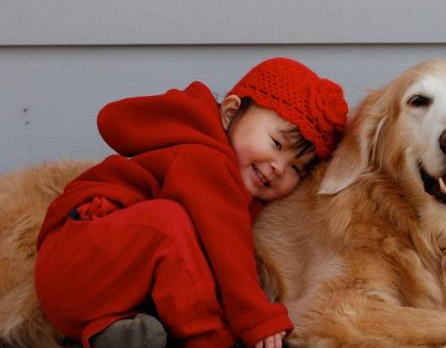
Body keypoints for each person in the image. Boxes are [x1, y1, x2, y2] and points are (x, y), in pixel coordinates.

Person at [34, 58, 348, 348]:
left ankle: (117, 333)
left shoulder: (237, 183)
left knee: (182, 254)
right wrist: (257, 318)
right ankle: (209, 339)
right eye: (276, 143)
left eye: (296, 167)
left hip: (99, 294)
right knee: (169, 225)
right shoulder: (204, 157)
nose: (278, 166)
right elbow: (227, 248)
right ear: (228, 114)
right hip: (75, 257)